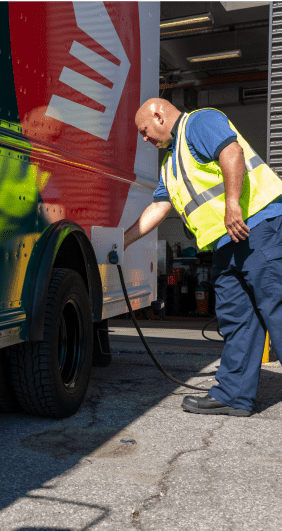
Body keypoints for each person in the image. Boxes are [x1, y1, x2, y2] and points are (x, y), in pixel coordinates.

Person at [125, 98, 282, 417]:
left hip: (257, 227)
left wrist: (233, 204)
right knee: (237, 317)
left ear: (158, 115)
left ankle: (234, 392)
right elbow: (159, 207)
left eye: (144, 130)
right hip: (226, 244)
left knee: (276, 307)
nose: (145, 139)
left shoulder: (198, 123)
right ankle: (234, 395)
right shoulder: (170, 165)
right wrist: (121, 240)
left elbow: (232, 152)